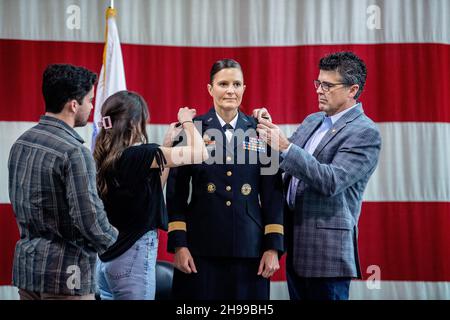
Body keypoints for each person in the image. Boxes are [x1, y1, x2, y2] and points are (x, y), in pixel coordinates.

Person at [254, 51, 382, 300]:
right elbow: (284, 161)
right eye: (318, 83)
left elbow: (331, 181)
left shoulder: (365, 132)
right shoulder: (313, 120)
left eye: (328, 85)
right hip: (296, 246)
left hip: (327, 255)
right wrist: (267, 131)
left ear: (352, 90)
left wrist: (285, 147)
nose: (319, 90)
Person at [166, 58, 284, 300]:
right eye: (223, 84)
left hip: (250, 248)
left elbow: (273, 193)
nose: (230, 90)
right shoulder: (193, 129)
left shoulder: (262, 131)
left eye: (237, 84)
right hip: (199, 249)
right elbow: (175, 192)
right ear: (210, 89)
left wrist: (273, 247)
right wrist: (179, 244)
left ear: (244, 89)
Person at [8, 64, 118, 300]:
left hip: (28, 272)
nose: (91, 107)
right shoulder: (74, 152)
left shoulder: (21, 143)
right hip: (67, 276)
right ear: (73, 104)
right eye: (89, 99)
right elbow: (89, 219)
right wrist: (115, 240)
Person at [93, 90, 208, 300]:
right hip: (132, 257)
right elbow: (201, 153)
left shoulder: (107, 156)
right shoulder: (140, 154)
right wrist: (187, 122)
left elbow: (154, 189)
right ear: (134, 123)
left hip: (107, 263)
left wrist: (167, 145)